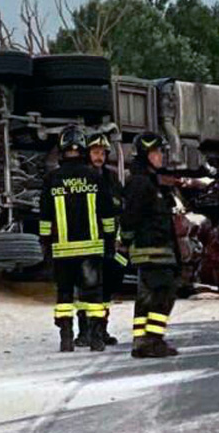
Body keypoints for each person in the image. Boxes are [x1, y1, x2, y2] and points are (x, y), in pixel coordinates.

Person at [39, 125, 117, 352]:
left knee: (64, 295)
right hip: (91, 249)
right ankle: (95, 339)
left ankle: (66, 338)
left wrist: (45, 244)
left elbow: (44, 216)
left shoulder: (52, 179)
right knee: (92, 295)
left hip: (62, 250)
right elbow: (107, 214)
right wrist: (110, 242)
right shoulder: (94, 177)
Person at [121, 132, 180, 359]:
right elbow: (130, 217)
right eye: (156, 152)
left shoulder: (149, 181)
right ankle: (153, 340)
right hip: (152, 250)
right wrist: (126, 240)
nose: (160, 157)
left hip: (155, 249)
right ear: (146, 154)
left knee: (147, 297)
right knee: (164, 294)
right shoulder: (141, 183)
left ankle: (141, 341)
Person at [75, 131, 124, 347]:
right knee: (86, 288)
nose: (99, 157)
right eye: (95, 152)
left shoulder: (111, 178)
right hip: (85, 241)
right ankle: (84, 331)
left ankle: (101, 329)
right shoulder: (81, 178)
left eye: (102, 153)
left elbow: (120, 207)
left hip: (108, 241)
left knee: (106, 289)